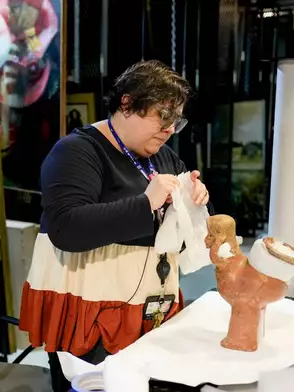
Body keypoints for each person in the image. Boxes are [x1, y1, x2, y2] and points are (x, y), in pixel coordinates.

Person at [18, 60, 210, 392]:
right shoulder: (76, 153)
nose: (168, 129)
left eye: (176, 121)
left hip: (151, 309)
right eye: (163, 116)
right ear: (127, 103)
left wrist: (194, 204)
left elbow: (174, 239)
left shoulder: (163, 156)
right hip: (92, 318)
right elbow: (67, 228)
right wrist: (145, 203)